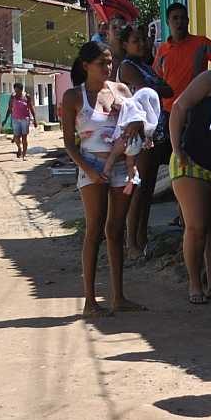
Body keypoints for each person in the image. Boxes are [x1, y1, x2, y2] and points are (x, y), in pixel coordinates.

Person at [58, 40, 144, 318]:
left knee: (116, 230)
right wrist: (89, 169)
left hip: (121, 164)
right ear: (85, 66)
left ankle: (119, 296)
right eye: (101, 63)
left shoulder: (121, 91)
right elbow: (69, 143)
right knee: (94, 229)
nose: (108, 67)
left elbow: (137, 120)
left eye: (110, 62)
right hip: (91, 163)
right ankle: (90, 301)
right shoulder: (74, 97)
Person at [167, 67, 211, 304]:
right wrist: (176, 149)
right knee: (196, 226)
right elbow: (178, 107)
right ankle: (195, 283)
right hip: (190, 159)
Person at [116, 25, 174, 258]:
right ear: (124, 44)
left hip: (152, 133)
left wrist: (156, 87)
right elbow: (149, 88)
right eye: (135, 40)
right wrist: (156, 87)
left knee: (148, 188)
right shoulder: (127, 67)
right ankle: (131, 242)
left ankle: (142, 237)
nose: (141, 44)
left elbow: (167, 89)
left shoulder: (144, 66)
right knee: (138, 188)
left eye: (143, 40)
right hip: (137, 134)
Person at [154, 2, 211, 99]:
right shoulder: (162, 50)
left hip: (196, 106)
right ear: (168, 22)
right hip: (169, 110)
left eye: (183, 18)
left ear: (188, 21)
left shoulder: (202, 43)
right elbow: (156, 79)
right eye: (175, 18)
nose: (179, 22)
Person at [7, 85, 34, 159]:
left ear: (22, 90)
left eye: (18, 91)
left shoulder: (27, 97)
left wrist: (35, 119)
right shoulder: (12, 97)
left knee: (24, 137)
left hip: (25, 119)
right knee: (16, 137)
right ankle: (19, 147)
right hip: (15, 119)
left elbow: (31, 107)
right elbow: (9, 108)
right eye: (15, 91)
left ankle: (24, 155)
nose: (16, 92)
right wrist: (6, 119)